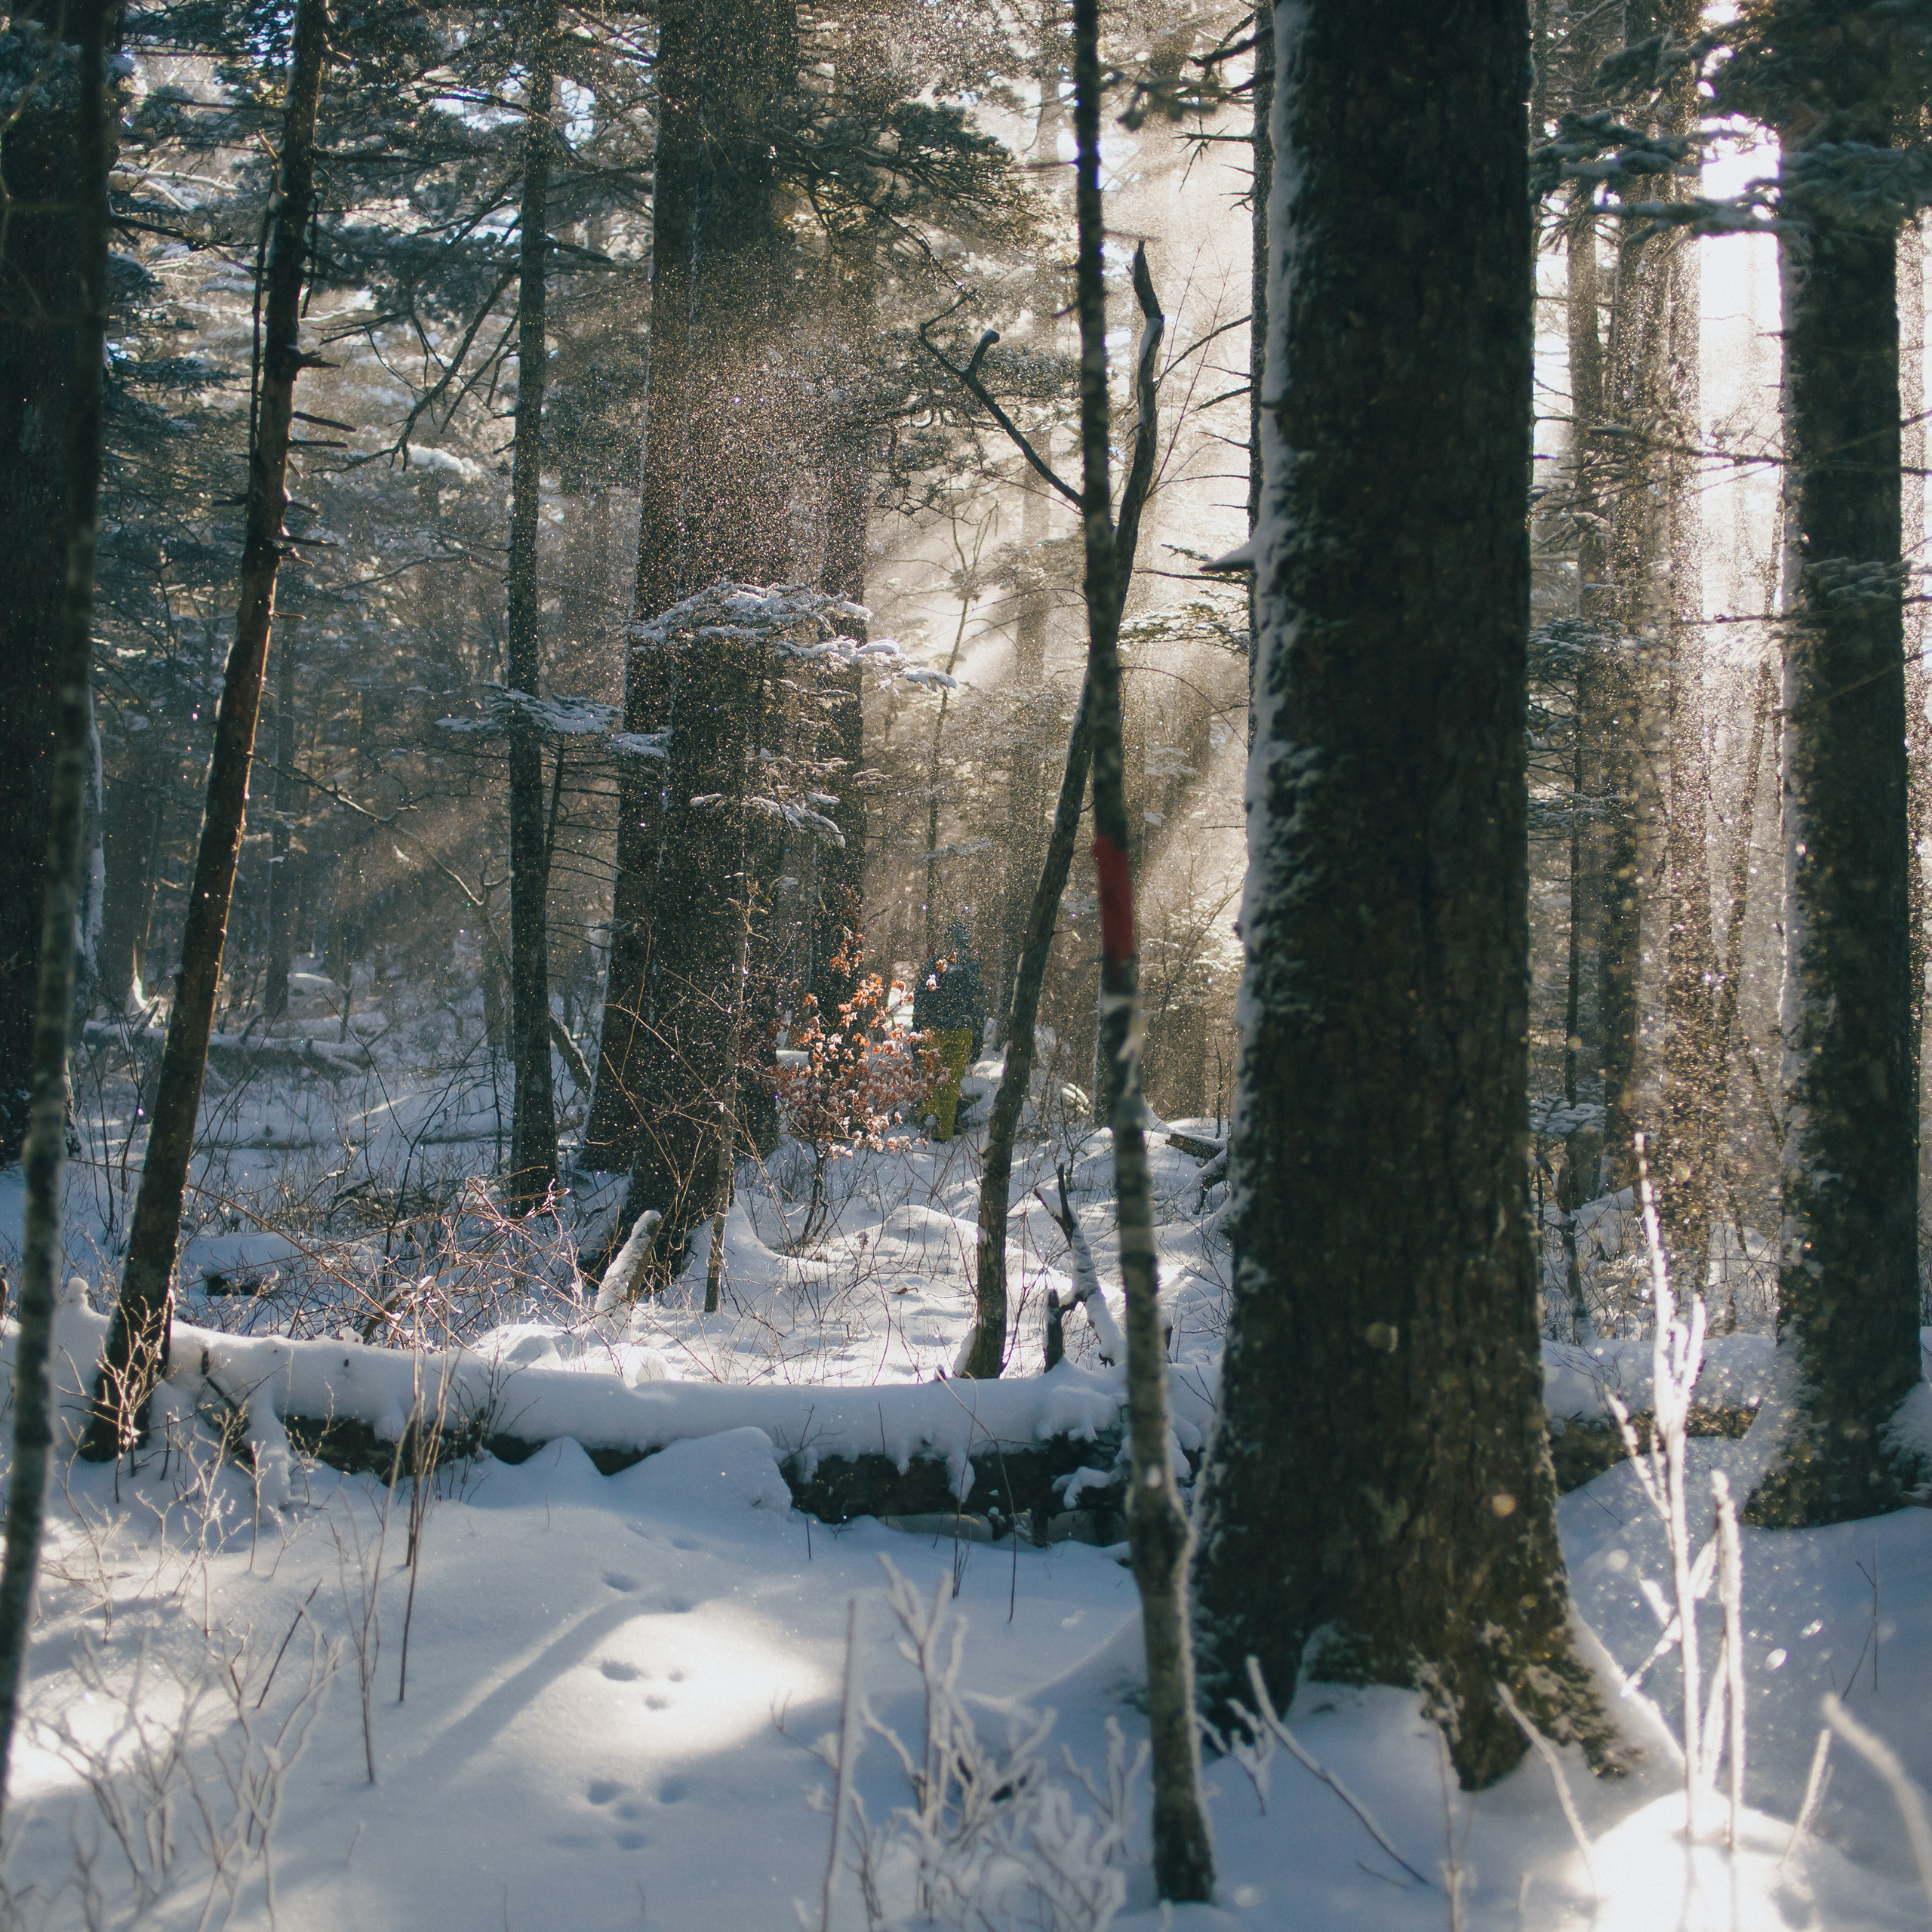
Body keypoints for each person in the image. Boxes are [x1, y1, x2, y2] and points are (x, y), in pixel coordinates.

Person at [912, 917, 985, 1143]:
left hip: (934, 1029)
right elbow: (978, 1005)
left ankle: (928, 1116)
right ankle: (943, 1132)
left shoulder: (933, 964)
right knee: (952, 1083)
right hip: (962, 1031)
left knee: (931, 1077)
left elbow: (920, 998)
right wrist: (977, 1037)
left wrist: (918, 1032)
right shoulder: (972, 967)